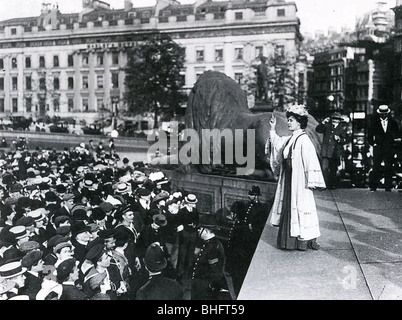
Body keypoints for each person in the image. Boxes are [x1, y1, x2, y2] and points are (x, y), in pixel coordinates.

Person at [268, 105, 326, 251]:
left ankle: (302, 241)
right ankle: (288, 241)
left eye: (291, 120)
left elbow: (311, 160)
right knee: (289, 206)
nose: (288, 122)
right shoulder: (290, 138)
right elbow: (277, 144)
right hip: (289, 179)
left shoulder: (304, 140)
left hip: (299, 181)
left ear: (299, 122)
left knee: (301, 207)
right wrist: (272, 129)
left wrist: (312, 180)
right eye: (288, 120)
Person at [367, 105, 401, 192]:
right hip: (378, 147)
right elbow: (369, 135)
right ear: (379, 114)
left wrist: (394, 143)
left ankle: (388, 186)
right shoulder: (374, 123)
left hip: (389, 147)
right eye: (382, 114)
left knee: (388, 166)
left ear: (387, 113)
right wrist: (373, 143)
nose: (383, 116)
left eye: (385, 114)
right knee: (376, 166)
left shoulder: (393, 123)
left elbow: (397, 135)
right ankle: (373, 186)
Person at [315, 111, 347, 189]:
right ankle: (324, 184)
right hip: (326, 151)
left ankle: (332, 184)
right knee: (324, 168)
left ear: (339, 120)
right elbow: (318, 130)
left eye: (336, 119)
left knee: (333, 169)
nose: (334, 120)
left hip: (335, 152)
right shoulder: (327, 126)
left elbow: (345, 140)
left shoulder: (341, 129)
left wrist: (339, 139)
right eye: (333, 118)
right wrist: (323, 122)